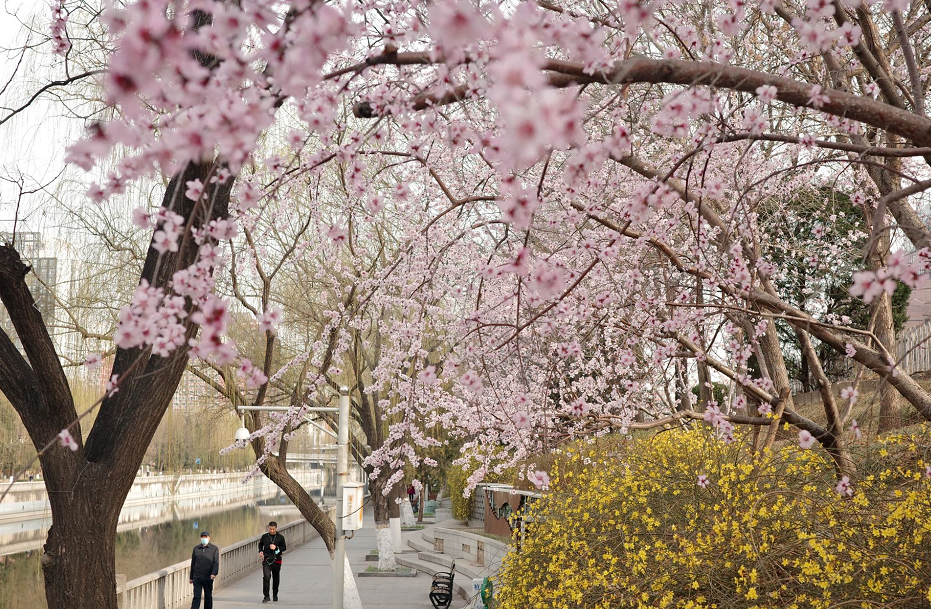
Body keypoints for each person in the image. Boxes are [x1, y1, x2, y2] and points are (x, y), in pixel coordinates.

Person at [258, 521, 287, 603]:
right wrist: (260, 551)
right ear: (268, 528)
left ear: (276, 528)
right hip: (266, 560)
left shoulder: (280, 537)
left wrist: (276, 548)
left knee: (276, 578)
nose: (272, 531)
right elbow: (260, 544)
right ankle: (266, 596)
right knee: (266, 577)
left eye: (273, 529)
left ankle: (275, 594)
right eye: (270, 529)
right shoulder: (264, 537)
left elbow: (284, 547)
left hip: (276, 560)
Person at [189, 531, 219, 609]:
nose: (204, 538)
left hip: (208, 577)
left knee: (208, 596)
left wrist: (214, 573)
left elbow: (216, 563)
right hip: (197, 577)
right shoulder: (196, 549)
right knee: (197, 596)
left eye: (205, 537)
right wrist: (191, 577)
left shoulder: (214, 549)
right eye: (202, 537)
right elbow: (193, 563)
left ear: (209, 538)